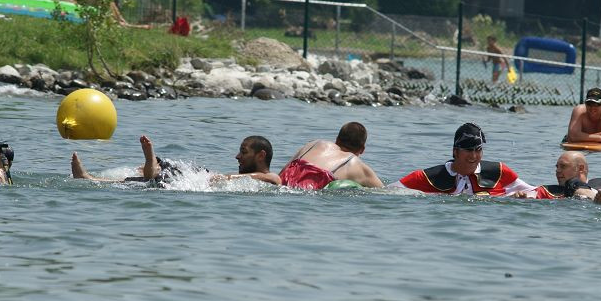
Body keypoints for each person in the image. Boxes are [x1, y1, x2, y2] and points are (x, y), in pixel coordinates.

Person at [72, 135, 281, 186]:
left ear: (261, 155)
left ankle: (151, 164)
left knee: (152, 181)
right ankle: (90, 178)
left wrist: (223, 177)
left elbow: (273, 180)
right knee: (148, 179)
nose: (237, 156)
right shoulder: (247, 179)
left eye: (243, 152)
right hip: (198, 177)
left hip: (200, 180)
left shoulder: (272, 178)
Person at [393, 122, 534, 196]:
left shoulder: (499, 172)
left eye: (478, 150)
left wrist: (522, 197)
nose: (473, 156)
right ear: (455, 152)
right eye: (468, 150)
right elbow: (387, 192)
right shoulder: (427, 177)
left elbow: (534, 191)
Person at [280, 122, 383, 189]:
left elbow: (282, 172)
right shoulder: (355, 164)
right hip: (311, 192)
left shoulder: (314, 144)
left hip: (285, 183)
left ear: (337, 140)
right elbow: (385, 192)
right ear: (362, 150)